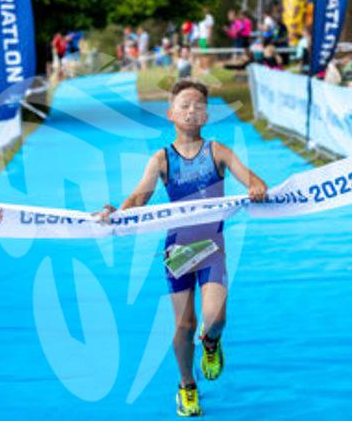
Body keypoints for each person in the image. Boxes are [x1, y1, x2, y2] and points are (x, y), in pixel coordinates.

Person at [98, 80, 268, 417]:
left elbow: (252, 179)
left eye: (198, 106)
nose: (191, 111)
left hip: (212, 248)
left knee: (215, 319)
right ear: (171, 114)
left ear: (206, 115)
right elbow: (139, 197)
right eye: (184, 106)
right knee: (184, 325)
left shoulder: (218, 151)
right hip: (177, 251)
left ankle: (211, 342)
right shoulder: (162, 159)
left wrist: (256, 186)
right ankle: (187, 386)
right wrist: (117, 212)